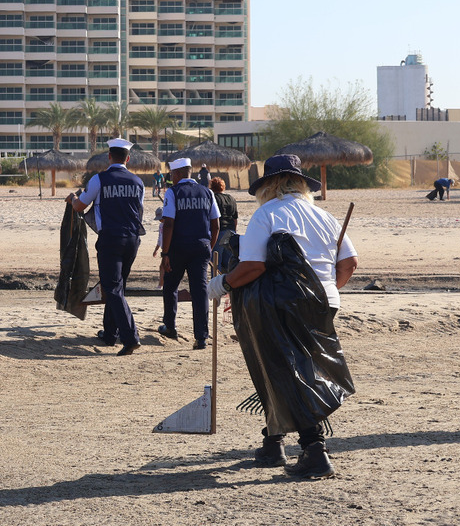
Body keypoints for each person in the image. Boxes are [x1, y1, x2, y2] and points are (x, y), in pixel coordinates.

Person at [206, 153, 359, 479]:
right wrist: (327, 290)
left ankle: (314, 451)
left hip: (282, 307)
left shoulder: (267, 214)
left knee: (287, 373)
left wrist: (221, 284)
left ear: (270, 185)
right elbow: (349, 264)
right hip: (324, 304)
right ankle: (273, 442)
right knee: (287, 370)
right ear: (301, 184)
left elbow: (253, 266)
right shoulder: (325, 216)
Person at [67, 138, 146, 356]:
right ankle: (110, 333)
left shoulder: (99, 179)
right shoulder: (138, 182)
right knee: (117, 287)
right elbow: (138, 211)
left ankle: (130, 338)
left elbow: (81, 206)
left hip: (111, 238)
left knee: (112, 288)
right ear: (127, 158)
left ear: (109, 157)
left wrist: (72, 199)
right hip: (132, 239)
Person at [158, 157, 219, 350]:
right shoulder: (207, 192)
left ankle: (170, 326)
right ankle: (201, 336)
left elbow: (168, 224)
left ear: (176, 174)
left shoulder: (173, 192)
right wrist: (209, 247)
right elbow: (215, 225)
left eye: (171, 174)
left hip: (178, 246)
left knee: (170, 286)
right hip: (201, 246)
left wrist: (165, 253)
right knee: (200, 290)